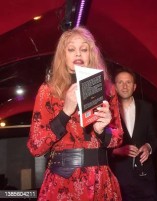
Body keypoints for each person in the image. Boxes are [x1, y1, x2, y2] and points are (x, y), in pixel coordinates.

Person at [27, 27, 123, 200]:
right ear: (63, 55)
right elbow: (36, 146)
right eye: (71, 49)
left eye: (84, 49)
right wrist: (65, 112)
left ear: (91, 54)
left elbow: (118, 137)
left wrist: (103, 130)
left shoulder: (107, 89)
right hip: (63, 181)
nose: (78, 53)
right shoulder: (48, 90)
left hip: (100, 180)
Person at [109, 68, 157, 201]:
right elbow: (100, 145)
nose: (124, 86)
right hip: (119, 178)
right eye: (120, 82)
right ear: (114, 86)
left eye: (128, 82)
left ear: (134, 86)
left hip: (145, 177)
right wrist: (117, 151)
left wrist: (148, 147)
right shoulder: (107, 111)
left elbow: (154, 138)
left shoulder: (147, 108)